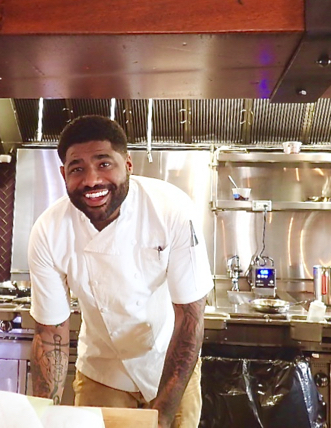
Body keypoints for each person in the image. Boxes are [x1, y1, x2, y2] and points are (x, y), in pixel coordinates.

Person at [28, 115, 213, 428]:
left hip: (168, 363)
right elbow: (50, 333)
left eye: (104, 164)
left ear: (128, 163)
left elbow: (190, 316)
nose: (91, 181)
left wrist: (164, 413)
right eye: (77, 168)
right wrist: (44, 416)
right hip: (102, 372)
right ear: (63, 174)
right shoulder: (49, 231)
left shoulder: (171, 209)